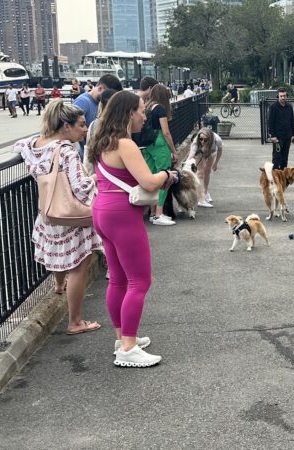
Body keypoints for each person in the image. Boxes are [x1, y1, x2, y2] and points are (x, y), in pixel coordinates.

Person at [88, 91, 177, 367]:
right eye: (140, 110)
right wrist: (168, 175)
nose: (144, 115)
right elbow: (149, 182)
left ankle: (123, 338)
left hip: (103, 211)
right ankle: (128, 347)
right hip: (123, 215)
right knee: (140, 281)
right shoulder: (125, 144)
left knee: (117, 279)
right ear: (128, 113)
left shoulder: (102, 141)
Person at [13, 101, 103, 335]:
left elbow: (18, 145)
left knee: (60, 257)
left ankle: (58, 285)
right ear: (66, 126)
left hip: (49, 213)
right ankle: (75, 321)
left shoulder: (34, 144)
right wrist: (93, 179)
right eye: (81, 125)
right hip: (71, 217)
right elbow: (81, 187)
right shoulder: (66, 150)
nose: (85, 130)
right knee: (79, 265)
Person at [142, 84, 179, 225]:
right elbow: (166, 132)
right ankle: (159, 214)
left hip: (147, 145)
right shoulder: (160, 109)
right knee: (164, 177)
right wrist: (173, 151)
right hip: (159, 144)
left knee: (151, 177)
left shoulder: (147, 106)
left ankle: (152, 212)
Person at [73, 74, 123, 160]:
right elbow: (71, 128)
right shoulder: (83, 102)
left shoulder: (101, 104)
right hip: (88, 156)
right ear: (100, 88)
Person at [187, 127, 223, 207]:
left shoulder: (217, 139)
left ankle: (205, 192)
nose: (202, 141)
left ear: (210, 139)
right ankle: (201, 199)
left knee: (207, 171)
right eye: (201, 139)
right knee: (200, 173)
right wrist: (188, 161)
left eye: (205, 140)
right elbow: (192, 152)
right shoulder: (197, 141)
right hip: (200, 153)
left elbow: (220, 150)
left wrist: (216, 163)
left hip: (211, 152)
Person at [266, 88, 294, 170]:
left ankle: (283, 177)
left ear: (286, 96)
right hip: (278, 138)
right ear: (278, 97)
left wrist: (293, 135)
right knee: (277, 157)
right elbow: (270, 122)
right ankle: (275, 176)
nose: (283, 97)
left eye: (284, 96)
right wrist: (272, 135)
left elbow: (291, 121)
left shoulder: (289, 107)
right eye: (281, 96)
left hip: (287, 137)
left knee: (285, 158)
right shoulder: (273, 107)